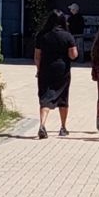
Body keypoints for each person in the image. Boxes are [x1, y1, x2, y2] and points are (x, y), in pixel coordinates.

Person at [34, 9, 78, 139]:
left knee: (45, 97)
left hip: (45, 69)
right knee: (63, 97)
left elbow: (37, 56)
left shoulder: (42, 35)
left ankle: (42, 125)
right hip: (62, 70)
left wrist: (38, 69)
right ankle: (63, 127)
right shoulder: (67, 36)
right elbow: (74, 55)